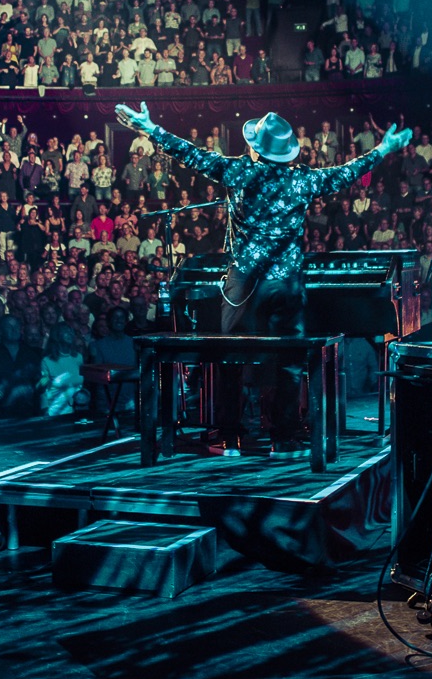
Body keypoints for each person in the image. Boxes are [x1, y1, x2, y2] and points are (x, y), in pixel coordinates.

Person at [115, 101, 411, 457]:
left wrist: (149, 128)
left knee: (231, 359)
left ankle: (230, 437)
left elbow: (190, 154)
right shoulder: (302, 179)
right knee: (288, 363)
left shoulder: (240, 173)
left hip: (243, 284)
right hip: (286, 284)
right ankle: (283, 438)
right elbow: (345, 173)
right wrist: (382, 149)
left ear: (256, 148)